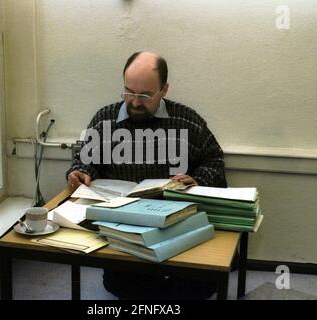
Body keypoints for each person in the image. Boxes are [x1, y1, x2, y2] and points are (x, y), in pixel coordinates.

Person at [66, 51, 227, 299]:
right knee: (121, 284)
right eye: (129, 92)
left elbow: (214, 158)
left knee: (200, 283)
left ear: (164, 89)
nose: (135, 102)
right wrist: (81, 172)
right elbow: (86, 162)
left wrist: (198, 180)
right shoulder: (105, 119)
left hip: (176, 224)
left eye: (145, 95)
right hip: (124, 231)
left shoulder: (186, 121)